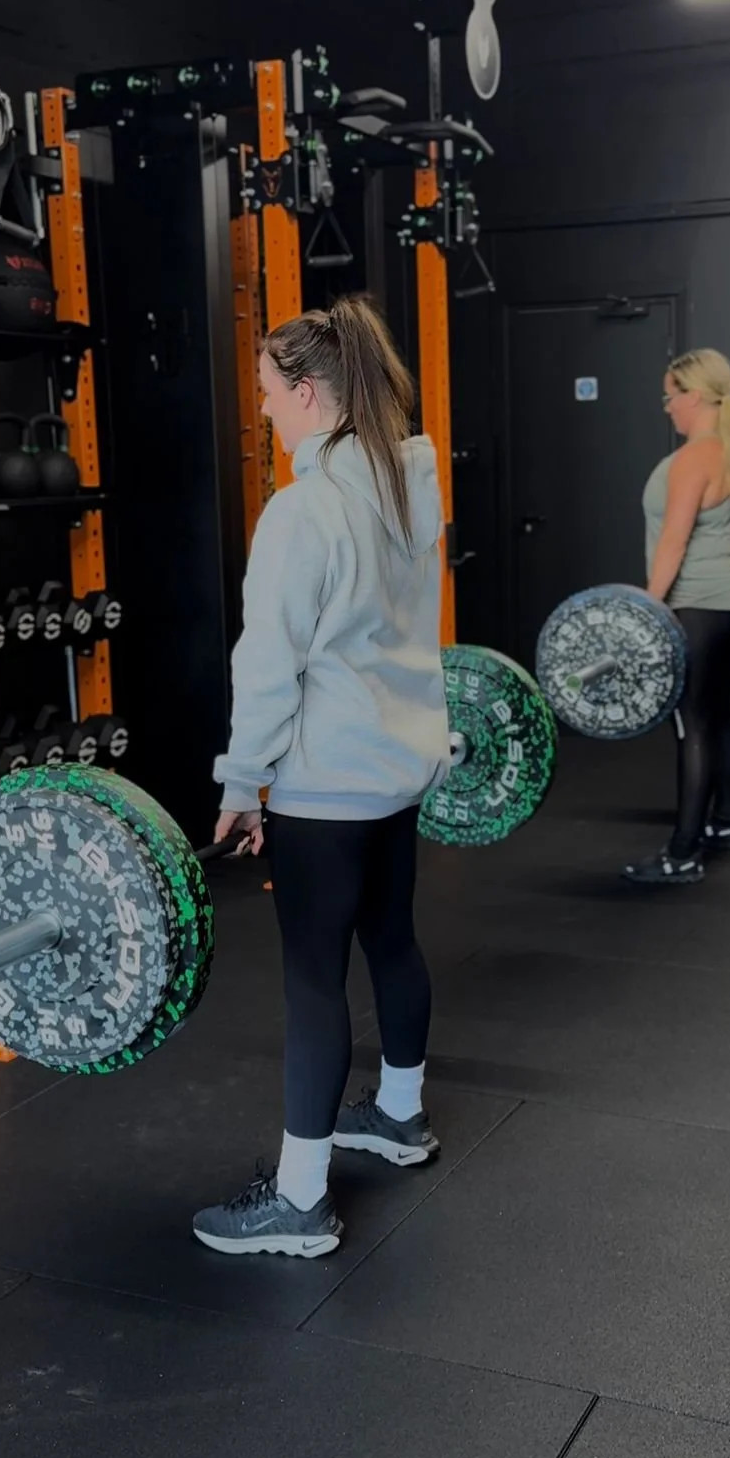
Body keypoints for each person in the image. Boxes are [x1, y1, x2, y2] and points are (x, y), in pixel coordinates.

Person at [193, 297, 450, 1259]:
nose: (263, 411)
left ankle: (300, 1203)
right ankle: (398, 1116)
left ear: (308, 393)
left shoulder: (302, 512)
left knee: (311, 984)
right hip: (395, 770)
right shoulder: (407, 484)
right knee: (391, 941)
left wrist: (240, 784)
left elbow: (269, 666)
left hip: (324, 783)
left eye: (268, 394)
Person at [623, 347, 730, 887]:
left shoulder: (693, 458)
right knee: (719, 713)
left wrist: (647, 611)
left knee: (694, 724)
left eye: (671, 396)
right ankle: (724, 825)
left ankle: (683, 852)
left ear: (695, 395)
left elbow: (673, 543)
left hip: (698, 605)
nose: (667, 407)